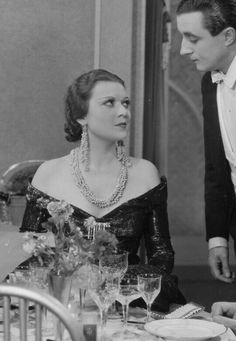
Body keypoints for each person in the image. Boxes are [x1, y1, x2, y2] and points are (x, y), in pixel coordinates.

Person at [20, 69, 185, 311]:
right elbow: (28, 256)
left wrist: (113, 286)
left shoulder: (145, 173)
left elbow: (161, 256)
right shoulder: (48, 174)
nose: (124, 112)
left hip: (129, 302)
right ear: (81, 116)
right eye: (110, 103)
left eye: (125, 103)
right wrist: (70, 286)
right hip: (67, 305)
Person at [176, 0, 236, 283]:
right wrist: (217, 238)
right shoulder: (208, 84)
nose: (184, 50)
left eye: (193, 39)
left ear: (228, 36)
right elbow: (216, 167)